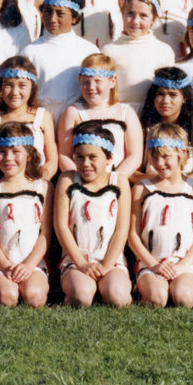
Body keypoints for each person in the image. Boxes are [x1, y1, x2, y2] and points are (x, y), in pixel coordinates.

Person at [130, 122, 193, 308]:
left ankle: (189, 287)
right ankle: (148, 288)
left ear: (182, 154)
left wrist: (182, 266)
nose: (159, 163)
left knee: (184, 298)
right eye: (154, 157)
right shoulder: (141, 188)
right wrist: (153, 264)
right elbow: (133, 234)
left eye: (166, 157)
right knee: (157, 298)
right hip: (152, 261)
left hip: (185, 262)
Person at [54, 121, 132, 308]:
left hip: (110, 259)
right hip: (77, 259)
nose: (85, 164)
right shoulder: (68, 179)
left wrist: (106, 265)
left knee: (117, 298)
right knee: (81, 297)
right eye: (79, 157)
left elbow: (122, 229)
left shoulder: (119, 181)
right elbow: (61, 226)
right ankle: (79, 289)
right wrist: (81, 263)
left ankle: (112, 287)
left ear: (109, 158)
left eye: (92, 157)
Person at [0, 121, 53, 308]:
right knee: (7, 297)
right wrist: (5, 266)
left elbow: (46, 232)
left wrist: (29, 265)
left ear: (29, 154)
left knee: (34, 297)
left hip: (32, 261)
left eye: (15, 151)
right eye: (1, 152)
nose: (8, 158)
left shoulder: (43, 187)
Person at [23, 0, 99, 122]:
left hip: (77, 119)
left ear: (74, 17)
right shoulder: (30, 51)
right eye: (48, 11)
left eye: (60, 14)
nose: (52, 19)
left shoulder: (88, 51)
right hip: (41, 120)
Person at [56, 54, 143, 178]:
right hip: (81, 181)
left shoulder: (126, 112)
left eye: (97, 81)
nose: (91, 87)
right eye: (86, 82)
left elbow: (135, 155)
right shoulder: (74, 112)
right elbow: (64, 155)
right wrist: (79, 179)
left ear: (112, 82)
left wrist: (115, 180)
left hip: (116, 180)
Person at [0, 56, 58, 182]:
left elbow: (52, 161)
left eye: (22, 85)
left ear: (32, 88)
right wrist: (2, 185)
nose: (15, 92)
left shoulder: (43, 117)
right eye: (8, 85)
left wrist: (35, 184)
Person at [101, 0, 175, 112]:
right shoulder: (109, 50)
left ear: (154, 19)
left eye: (143, 15)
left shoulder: (164, 51)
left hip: (152, 115)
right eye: (130, 13)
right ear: (122, 13)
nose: (135, 21)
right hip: (119, 114)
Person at [138, 67, 193, 179]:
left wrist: (175, 186)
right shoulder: (145, 126)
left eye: (173, 94)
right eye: (160, 94)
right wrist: (158, 184)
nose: (166, 101)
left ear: (184, 98)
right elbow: (133, 174)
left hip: (186, 191)